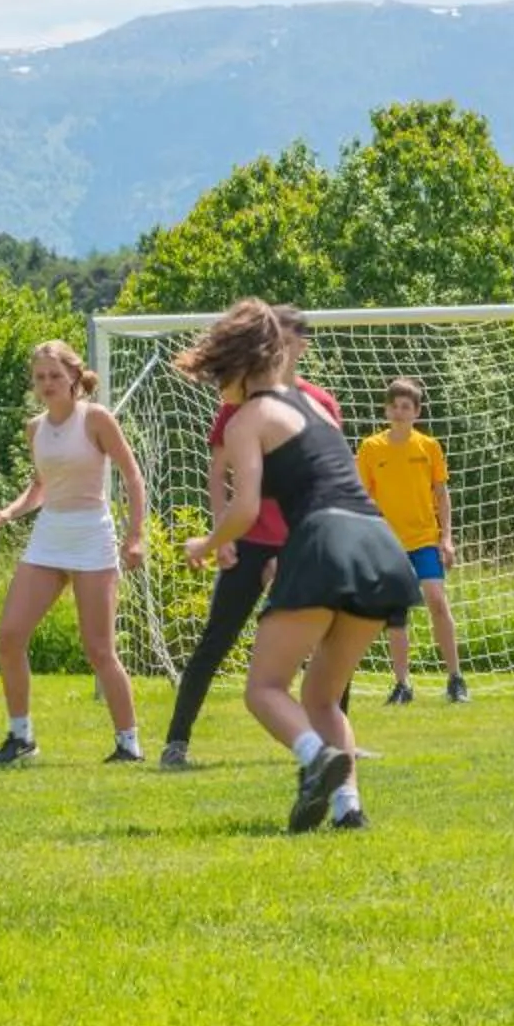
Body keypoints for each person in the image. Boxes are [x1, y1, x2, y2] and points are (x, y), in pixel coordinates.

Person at [179, 300, 421, 833]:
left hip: (325, 538)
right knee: (321, 696)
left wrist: (206, 542)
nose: (219, 391)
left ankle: (316, 757)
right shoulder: (311, 406)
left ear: (239, 369)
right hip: (379, 545)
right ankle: (348, 808)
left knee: (263, 689)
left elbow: (243, 509)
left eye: (219, 376)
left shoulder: (248, 419)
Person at [160, 310, 341, 768]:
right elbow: (221, 475)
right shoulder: (237, 409)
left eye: (291, 337)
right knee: (216, 641)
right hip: (248, 540)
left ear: (301, 345)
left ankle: (334, 750)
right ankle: (175, 742)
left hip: (305, 543)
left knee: (330, 647)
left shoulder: (320, 403)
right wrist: (220, 537)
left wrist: (303, 548)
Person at [0, 337, 152, 766]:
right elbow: (40, 486)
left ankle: (128, 744)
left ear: (73, 377)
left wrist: (135, 534)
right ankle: (21, 738)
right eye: (39, 377)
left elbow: (133, 477)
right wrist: (8, 513)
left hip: (92, 536)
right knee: (10, 635)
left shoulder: (97, 419)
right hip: (50, 536)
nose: (47, 383)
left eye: (55, 375)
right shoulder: (35, 427)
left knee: (99, 649)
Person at [358, 376, 467, 704]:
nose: (399, 411)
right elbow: (361, 498)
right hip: (388, 545)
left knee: (436, 600)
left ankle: (455, 679)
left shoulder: (429, 447)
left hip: (424, 540)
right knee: (396, 611)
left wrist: (446, 538)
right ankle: (403, 684)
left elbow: (442, 495)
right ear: (386, 409)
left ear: (417, 412)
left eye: (406, 406)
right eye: (394, 406)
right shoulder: (370, 448)